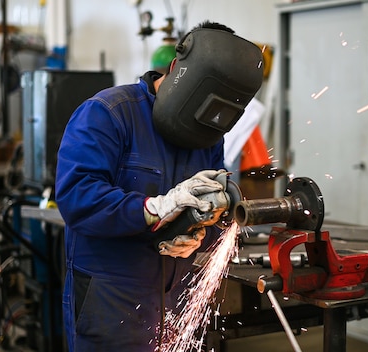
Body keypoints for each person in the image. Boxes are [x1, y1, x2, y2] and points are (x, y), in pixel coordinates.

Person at [55, 20, 263, 352]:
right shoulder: (108, 113)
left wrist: (199, 236)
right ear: (178, 69)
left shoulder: (207, 135)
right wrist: (155, 209)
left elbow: (213, 207)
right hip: (111, 299)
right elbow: (78, 196)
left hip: (177, 297)